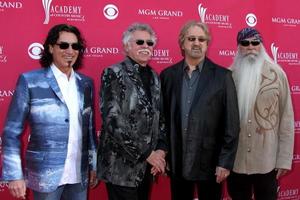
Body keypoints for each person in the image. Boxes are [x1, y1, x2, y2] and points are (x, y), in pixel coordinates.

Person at [0, 24, 97, 200]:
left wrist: (93, 164)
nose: (70, 50)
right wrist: (14, 174)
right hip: (45, 174)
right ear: (51, 48)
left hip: (78, 173)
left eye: (75, 46)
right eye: (63, 45)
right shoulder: (30, 81)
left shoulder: (86, 83)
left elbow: (89, 130)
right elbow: (11, 132)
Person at [160, 20, 240, 200]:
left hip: (210, 164)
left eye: (201, 39)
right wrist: (164, 155)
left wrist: (224, 163)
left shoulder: (223, 77)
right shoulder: (168, 76)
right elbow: (162, 120)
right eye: (191, 38)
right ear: (182, 43)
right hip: (177, 161)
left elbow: (232, 124)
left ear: (207, 44)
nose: (197, 43)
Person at [97, 23, 167, 200]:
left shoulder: (154, 77)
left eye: (149, 43)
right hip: (120, 168)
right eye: (140, 42)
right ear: (127, 46)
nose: (146, 46)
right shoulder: (113, 73)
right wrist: (146, 154)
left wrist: (160, 150)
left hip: (146, 168)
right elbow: (112, 121)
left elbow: (160, 117)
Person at [227, 27, 295, 200]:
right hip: (236, 161)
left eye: (255, 43)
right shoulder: (229, 76)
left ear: (261, 45)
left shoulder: (278, 75)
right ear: (239, 47)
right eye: (245, 43)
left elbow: (286, 119)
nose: (250, 47)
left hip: (267, 161)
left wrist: (284, 159)